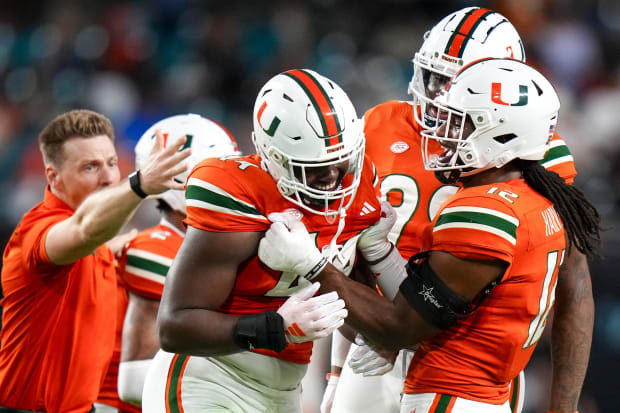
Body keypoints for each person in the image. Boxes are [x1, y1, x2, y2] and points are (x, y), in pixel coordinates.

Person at [259, 58, 601, 412]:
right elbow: (426, 293)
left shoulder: (485, 213)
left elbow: (400, 326)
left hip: (449, 395)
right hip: (483, 393)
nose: (442, 134)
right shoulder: (537, 199)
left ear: (502, 135)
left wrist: (312, 264)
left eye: (462, 123)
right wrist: (379, 249)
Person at [141, 68, 380, 413]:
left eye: (339, 161)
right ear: (272, 157)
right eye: (312, 168)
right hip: (210, 378)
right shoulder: (241, 195)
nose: (332, 178)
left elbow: (359, 308)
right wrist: (276, 327)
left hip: (284, 390)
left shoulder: (363, 189)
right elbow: (175, 326)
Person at [0, 109, 191, 412]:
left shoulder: (98, 244)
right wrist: (140, 186)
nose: (107, 178)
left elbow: (94, 230)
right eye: (90, 167)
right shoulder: (37, 231)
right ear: (54, 177)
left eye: (111, 163)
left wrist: (107, 248)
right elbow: (84, 230)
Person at [114, 113, 241, 408]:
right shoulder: (156, 250)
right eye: (222, 178)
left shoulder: (210, 249)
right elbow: (133, 383)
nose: (236, 187)